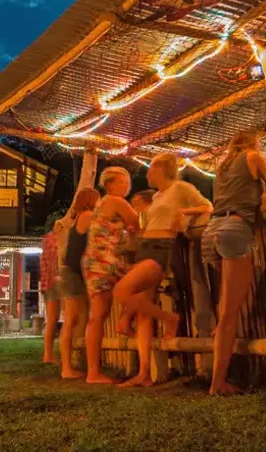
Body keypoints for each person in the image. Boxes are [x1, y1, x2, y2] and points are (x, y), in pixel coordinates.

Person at [114, 153, 213, 388]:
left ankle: (170, 318)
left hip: (162, 247)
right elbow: (149, 224)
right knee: (143, 313)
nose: (147, 174)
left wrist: (184, 215)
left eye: (150, 169)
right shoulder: (157, 196)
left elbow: (207, 205)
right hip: (146, 246)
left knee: (121, 291)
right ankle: (145, 373)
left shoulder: (180, 188)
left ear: (160, 169)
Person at [202, 131, 266, 395]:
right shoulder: (253, 156)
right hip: (235, 229)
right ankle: (217, 383)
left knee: (224, 306)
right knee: (228, 313)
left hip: (211, 231)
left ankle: (218, 372)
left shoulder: (222, 166)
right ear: (254, 143)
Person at [81, 166, 140, 384]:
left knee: (97, 315)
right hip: (107, 260)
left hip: (95, 259)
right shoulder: (116, 201)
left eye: (127, 182)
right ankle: (125, 321)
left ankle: (93, 372)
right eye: (122, 182)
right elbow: (139, 222)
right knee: (144, 280)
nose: (127, 186)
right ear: (110, 185)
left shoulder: (103, 203)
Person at [58, 187, 101, 379]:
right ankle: (67, 367)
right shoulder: (87, 216)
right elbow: (105, 226)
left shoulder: (79, 217)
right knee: (72, 319)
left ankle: (74, 362)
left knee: (79, 318)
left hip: (71, 272)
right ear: (92, 200)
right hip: (72, 273)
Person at [39, 214, 70, 364]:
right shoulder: (57, 240)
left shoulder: (45, 239)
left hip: (46, 283)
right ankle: (66, 355)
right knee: (71, 316)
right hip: (58, 280)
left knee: (51, 319)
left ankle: (48, 354)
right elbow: (56, 262)